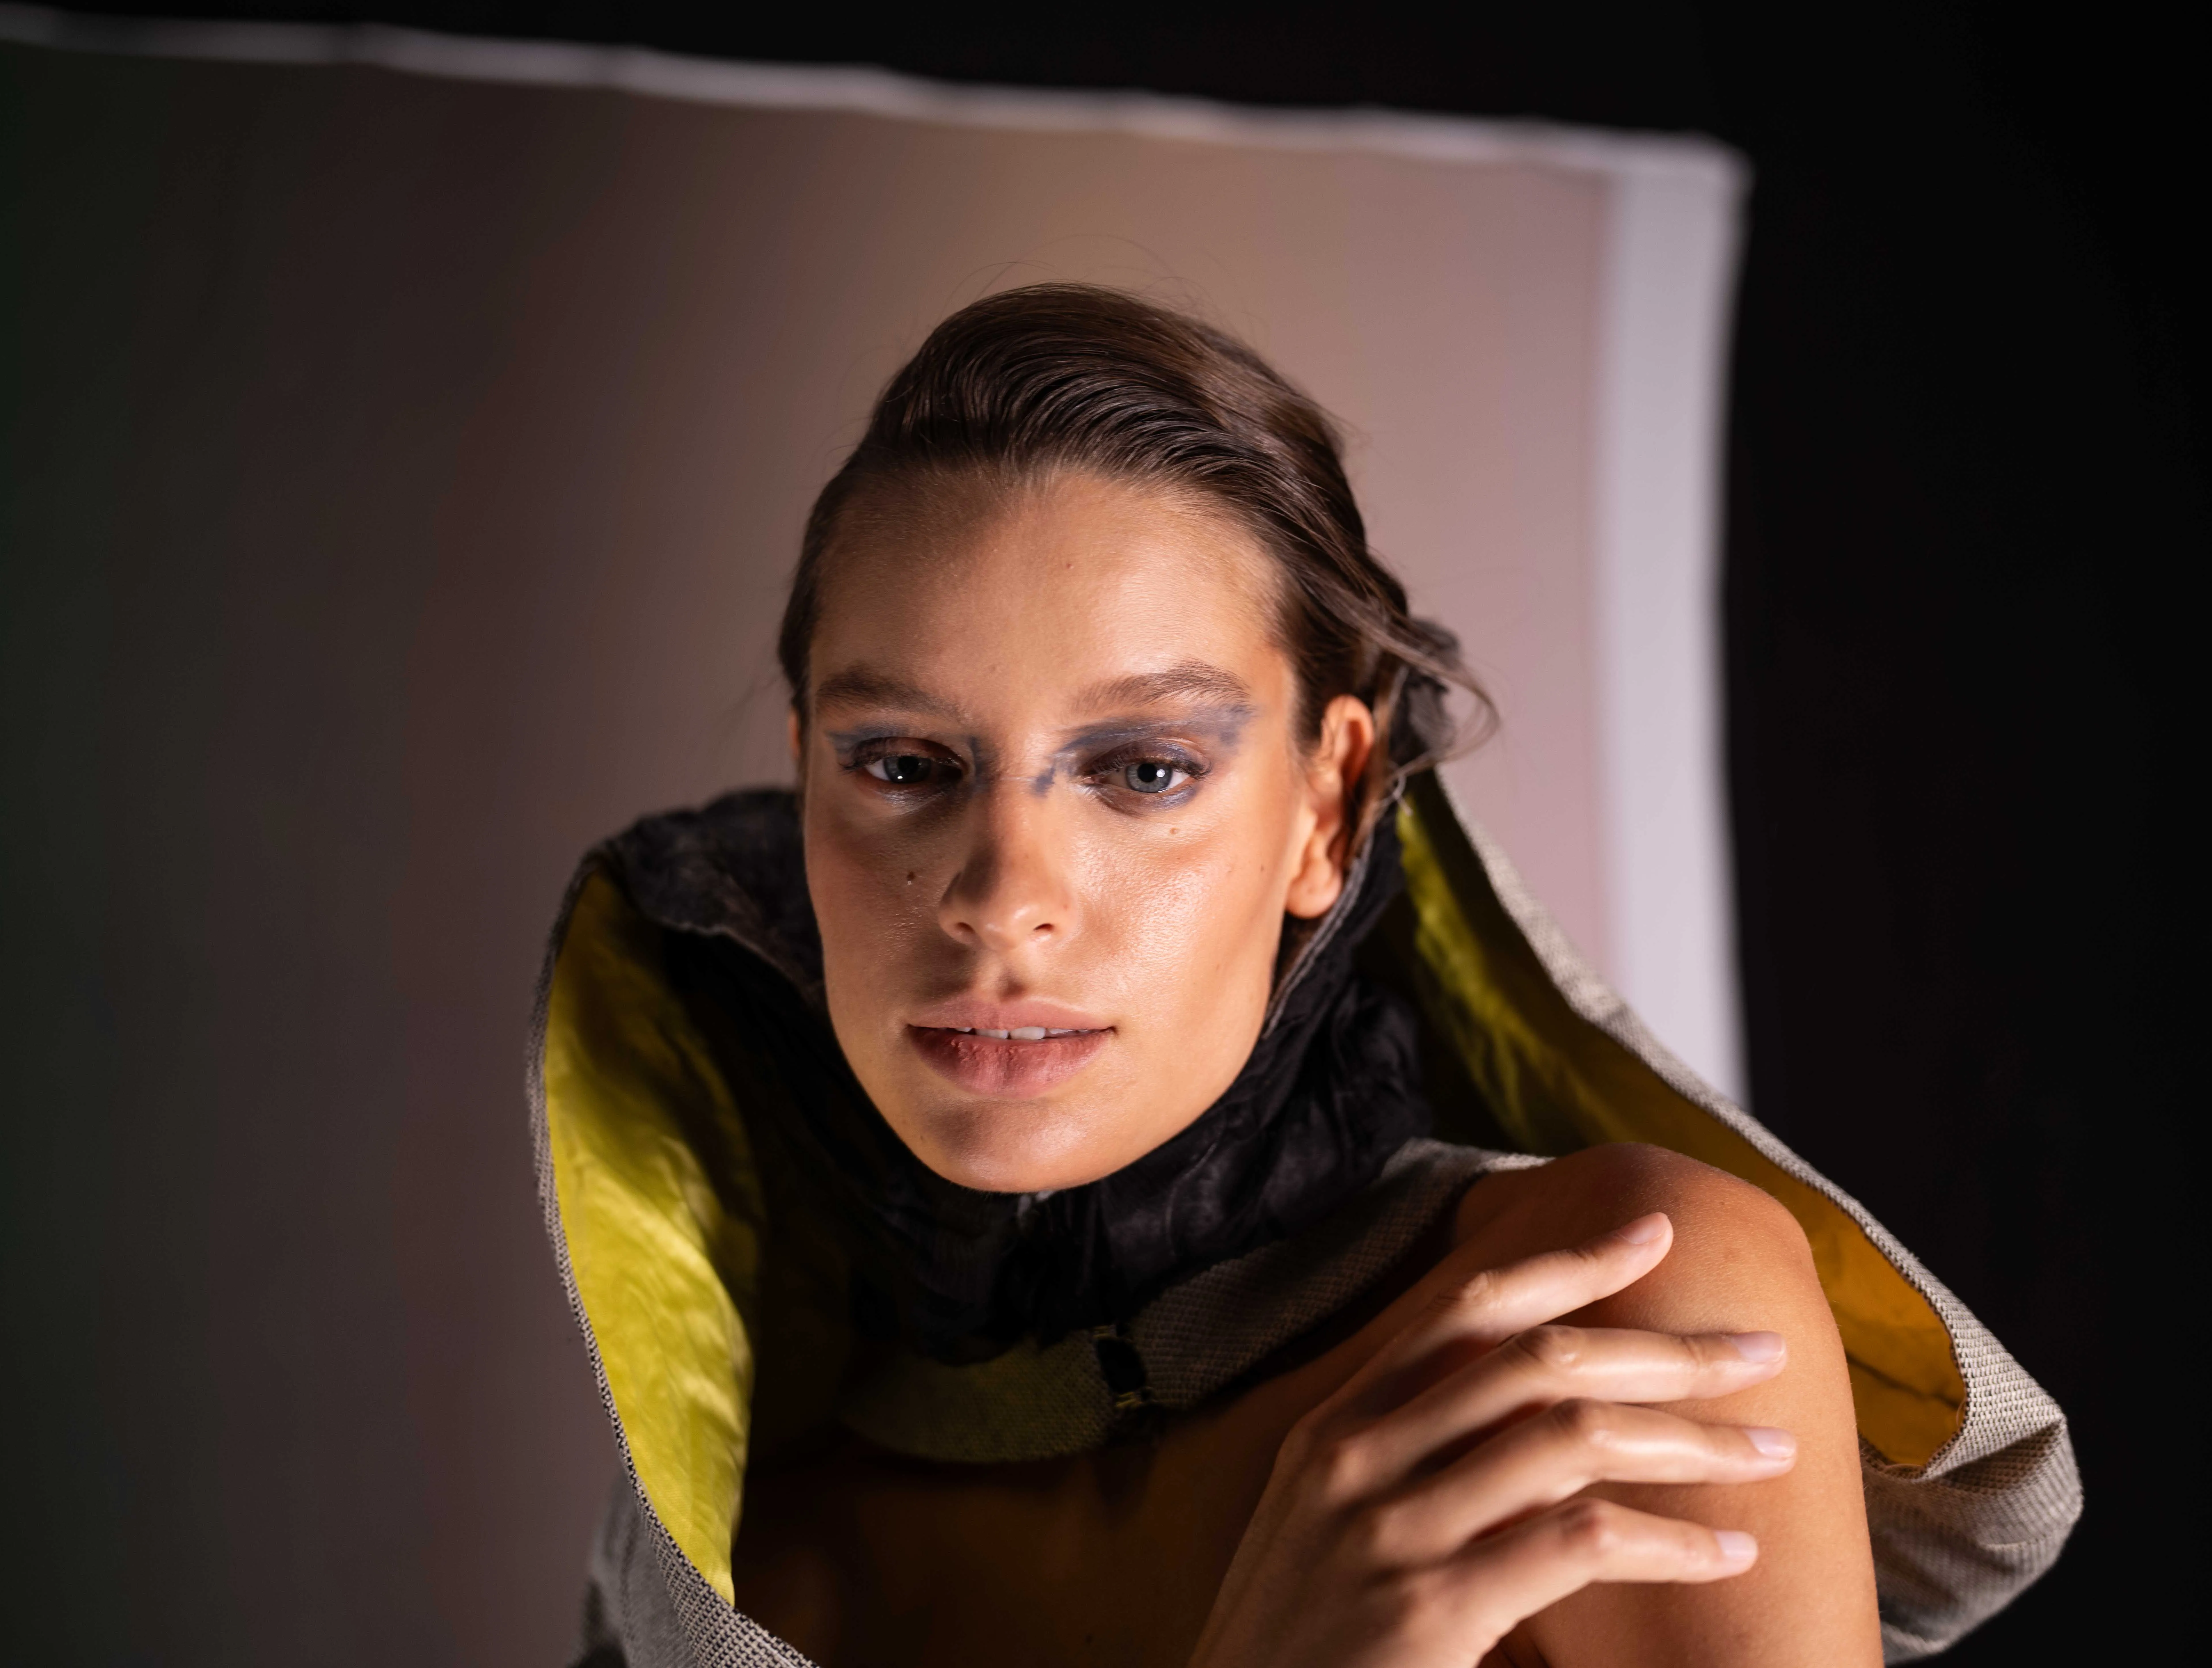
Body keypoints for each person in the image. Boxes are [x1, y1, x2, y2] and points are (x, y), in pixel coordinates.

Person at [531, 287, 2078, 1667]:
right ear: (805, 777)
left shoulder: (1608, 1324)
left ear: (1327, 806)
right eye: (904, 764)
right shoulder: (750, 1577)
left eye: (1144, 768)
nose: (1000, 903)